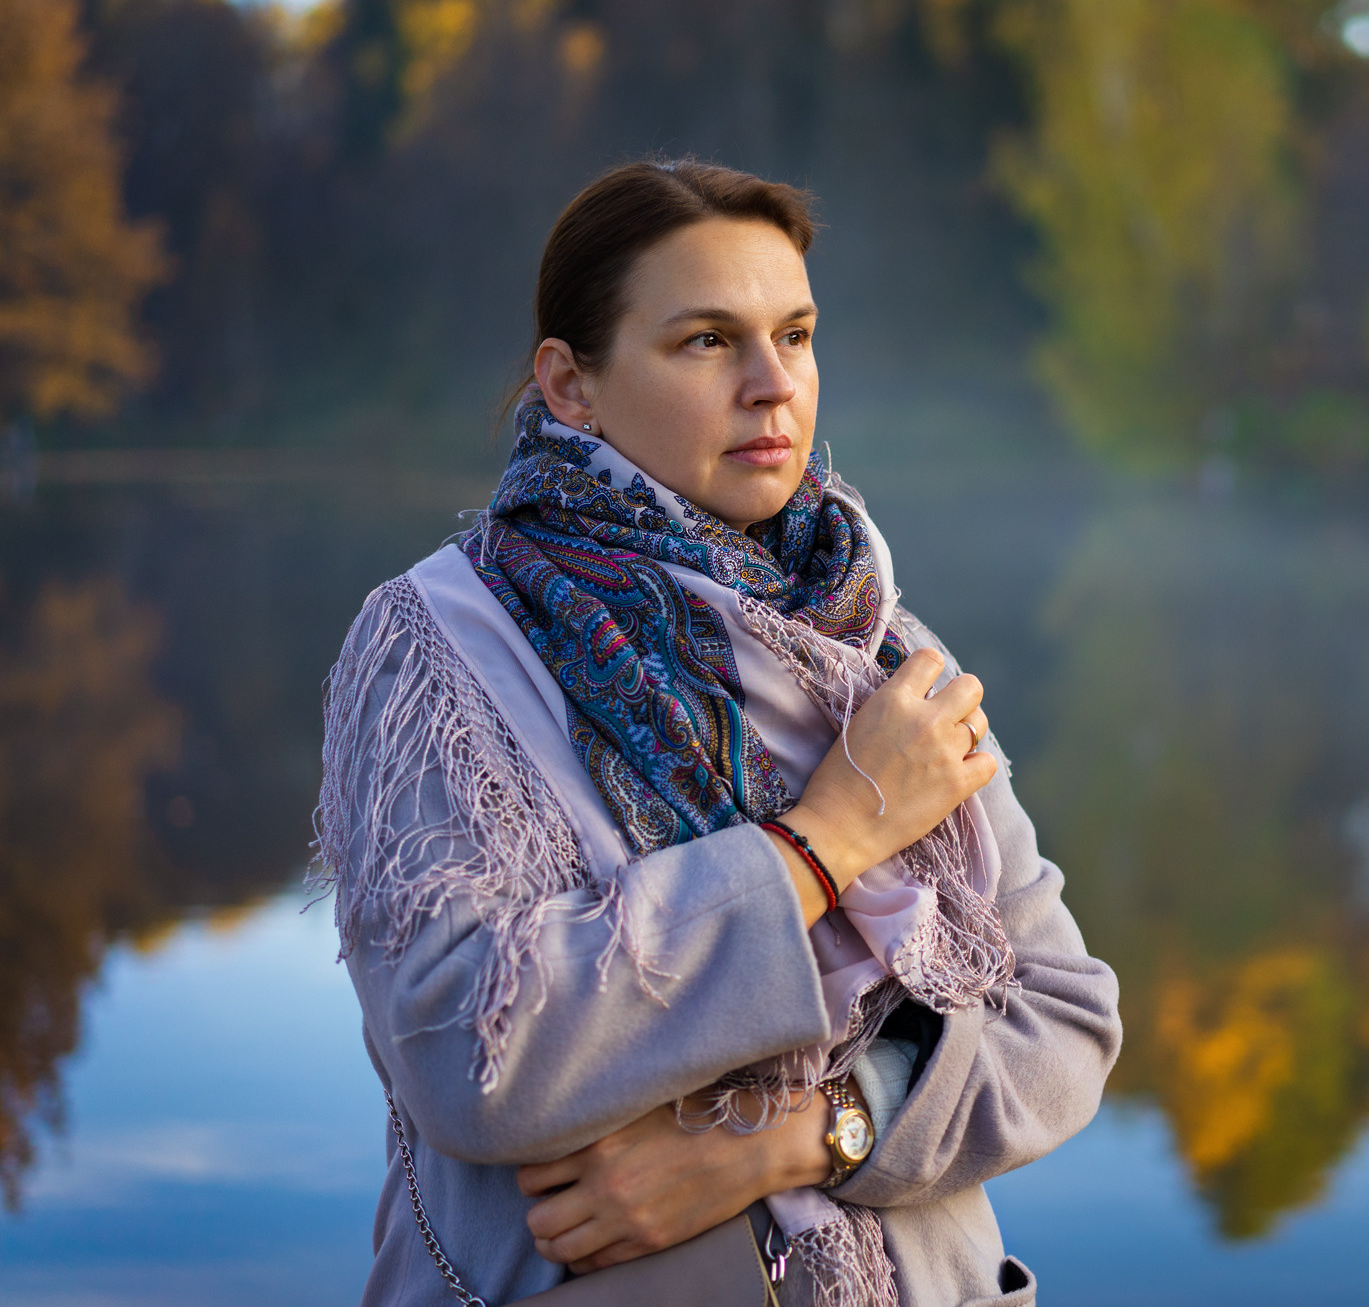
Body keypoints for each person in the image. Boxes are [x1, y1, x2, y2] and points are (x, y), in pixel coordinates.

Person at [311, 158, 1120, 1307]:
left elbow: (1063, 1020)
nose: (771, 385)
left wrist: (796, 1139)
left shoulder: (877, 642)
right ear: (570, 385)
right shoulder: (439, 646)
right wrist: (822, 842)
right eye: (705, 341)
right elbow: (472, 1052)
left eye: (794, 336)